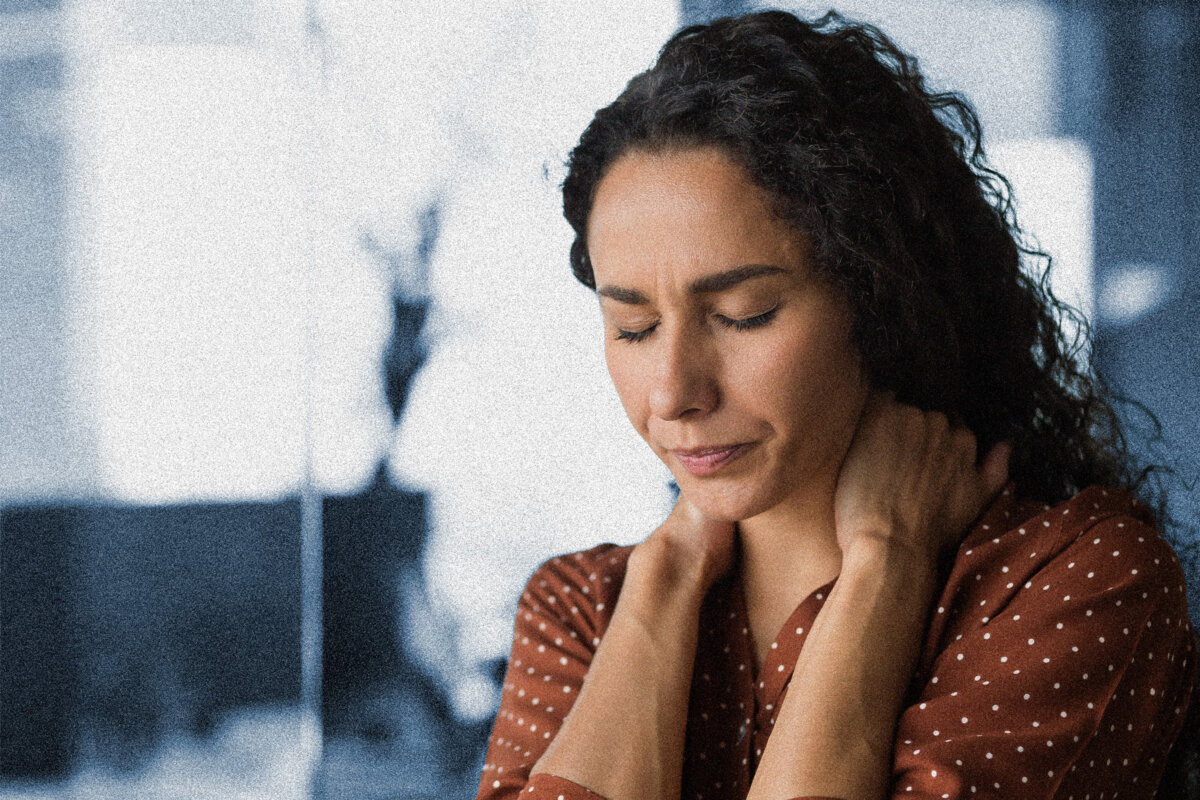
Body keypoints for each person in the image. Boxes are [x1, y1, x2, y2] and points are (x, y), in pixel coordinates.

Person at [475, 10, 1196, 800]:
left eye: (744, 314)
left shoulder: (1071, 582)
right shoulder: (581, 610)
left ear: (882, 296)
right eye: (633, 328)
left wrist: (886, 567)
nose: (673, 393)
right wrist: (666, 578)